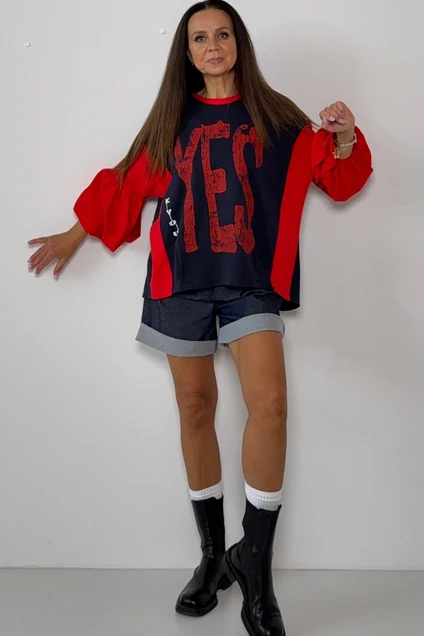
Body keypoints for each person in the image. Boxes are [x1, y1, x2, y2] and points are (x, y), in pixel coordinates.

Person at [27, 1, 373, 634]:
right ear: (185, 52)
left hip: (250, 284)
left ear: (238, 43)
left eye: (222, 34)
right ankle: (213, 557)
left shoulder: (280, 120)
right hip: (179, 283)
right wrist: (72, 236)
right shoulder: (172, 122)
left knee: (270, 404)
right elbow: (126, 183)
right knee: (195, 408)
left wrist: (346, 135)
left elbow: (340, 176)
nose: (212, 45)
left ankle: (255, 569)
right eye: (199, 38)